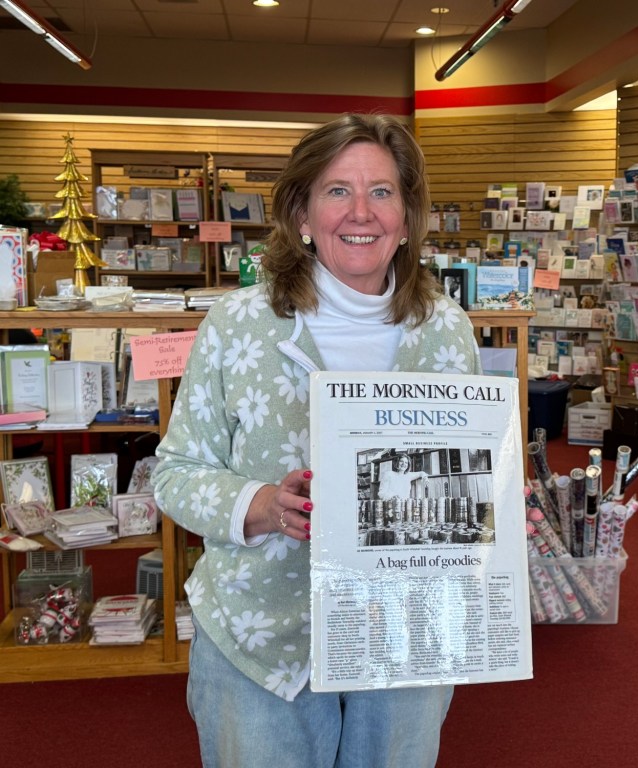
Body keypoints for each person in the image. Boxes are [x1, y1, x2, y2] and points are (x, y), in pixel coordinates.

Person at [153, 113, 482, 768]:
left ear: (408, 217)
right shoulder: (240, 323)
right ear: (301, 212)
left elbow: (472, 486)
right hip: (264, 635)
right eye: (337, 190)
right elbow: (175, 472)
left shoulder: (447, 330)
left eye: (383, 192)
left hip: (403, 635)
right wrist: (263, 504)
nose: (361, 212)